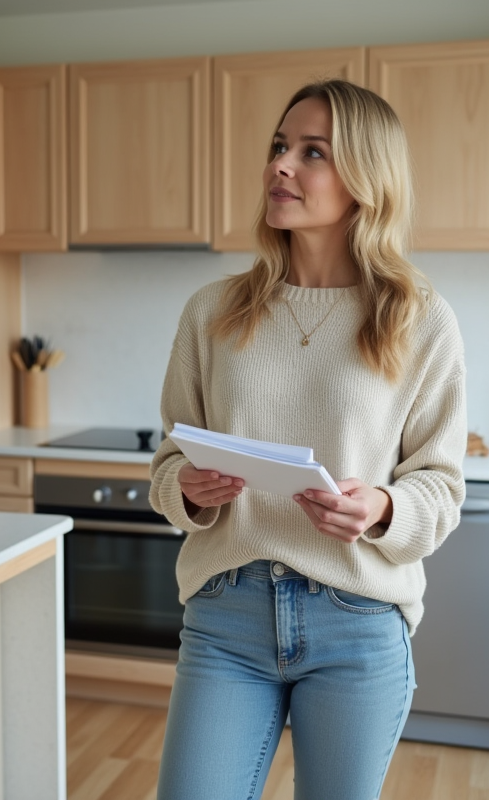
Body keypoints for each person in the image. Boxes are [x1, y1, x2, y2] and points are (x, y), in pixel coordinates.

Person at [148, 79, 467, 800]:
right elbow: (169, 462)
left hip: (357, 623)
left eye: (311, 152)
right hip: (226, 615)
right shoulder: (213, 313)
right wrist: (189, 492)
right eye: (278, 147)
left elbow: (442, 486)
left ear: (365, 180)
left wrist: (383, 507)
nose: (280, 166)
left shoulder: (421, 319)